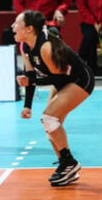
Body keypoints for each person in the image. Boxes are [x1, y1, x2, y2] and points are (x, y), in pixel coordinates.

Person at [13, 10, 94, 186]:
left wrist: (30, 80)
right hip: (63, 83)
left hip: (81, 80)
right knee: (50, 126)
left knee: (49, 118)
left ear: (28, 29)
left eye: (16, 23)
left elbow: (56, 78)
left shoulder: (46, 47)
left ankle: (70, 162)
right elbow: (30, 74)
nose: (13, 27)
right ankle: (66, 165)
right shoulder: (25, 45)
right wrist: (27, 106)